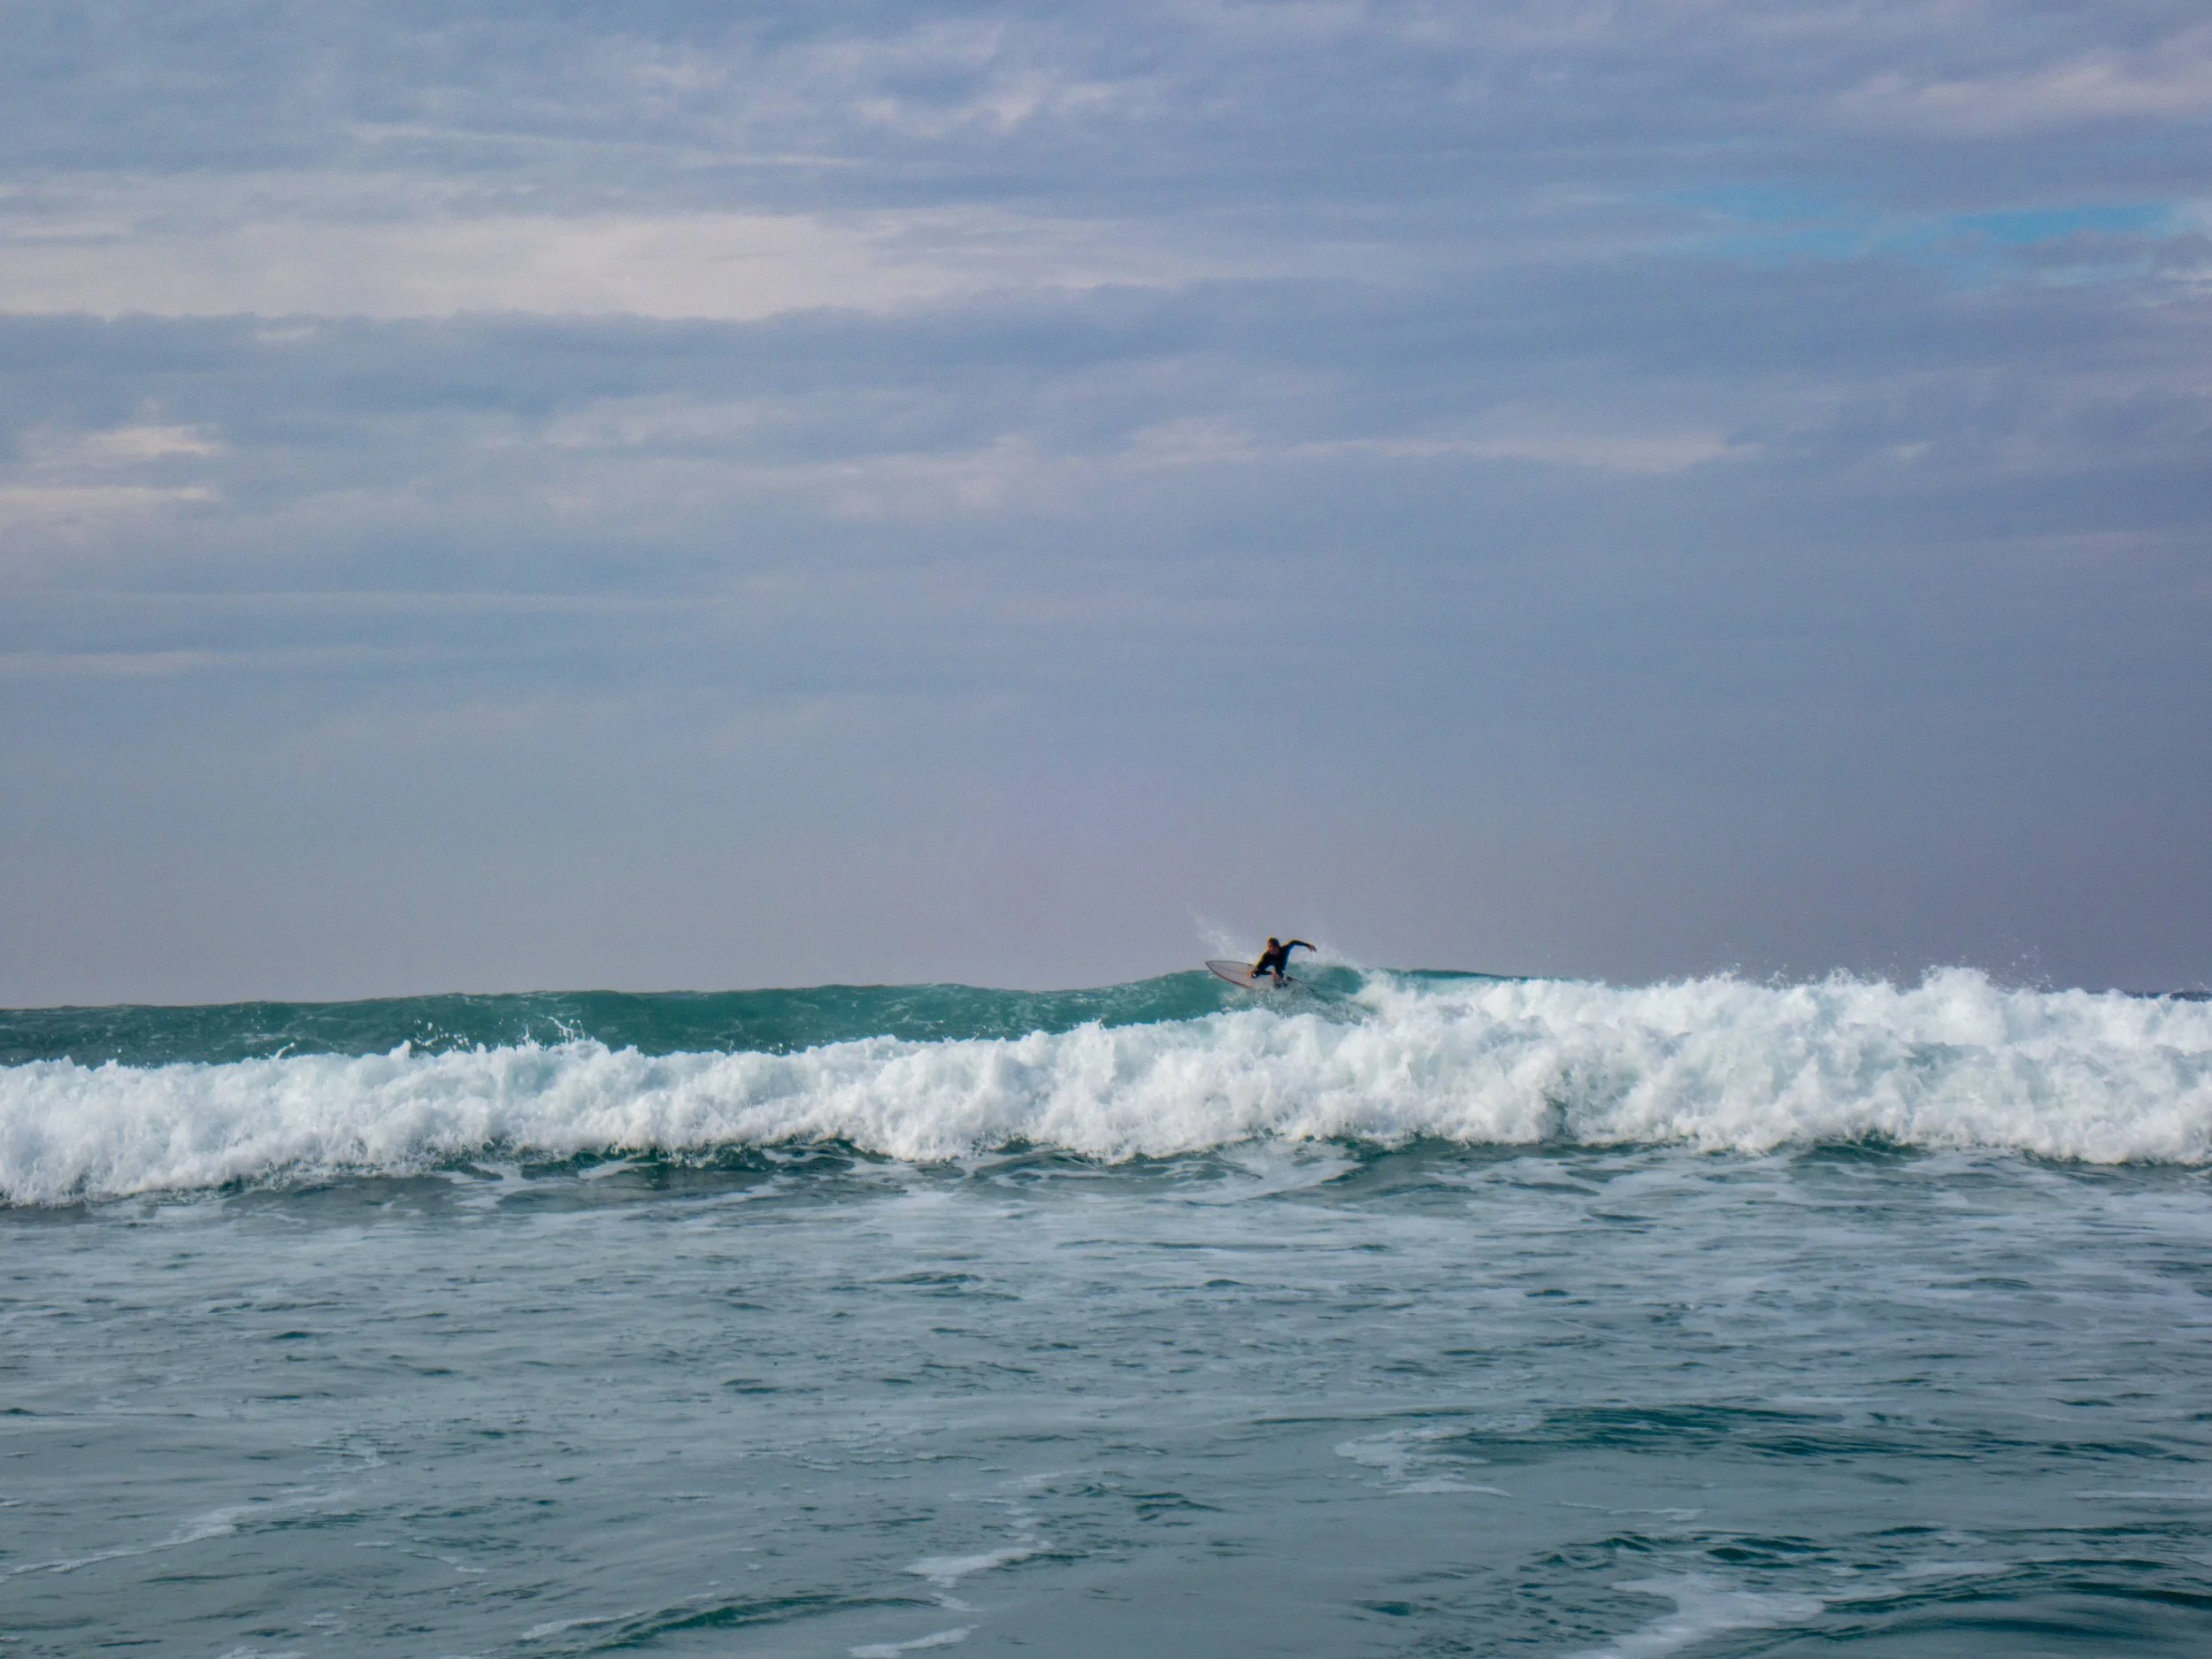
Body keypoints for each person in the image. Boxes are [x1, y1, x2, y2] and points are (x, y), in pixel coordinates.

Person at [1250, 937, 1314, 987]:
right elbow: (1259, 969)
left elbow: (1293, 942)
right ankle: (1251, 974)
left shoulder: (1284, 949)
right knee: (1255, 973)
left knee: (1277, 985)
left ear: (1276, 946)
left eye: (1270, 946)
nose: (1268, 949)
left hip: (1280, 964)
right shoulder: (1267, 955)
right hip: (1269, 961)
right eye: (1268, 947)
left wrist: (1308, 945)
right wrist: (1271, 973)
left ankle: (1289, 981)